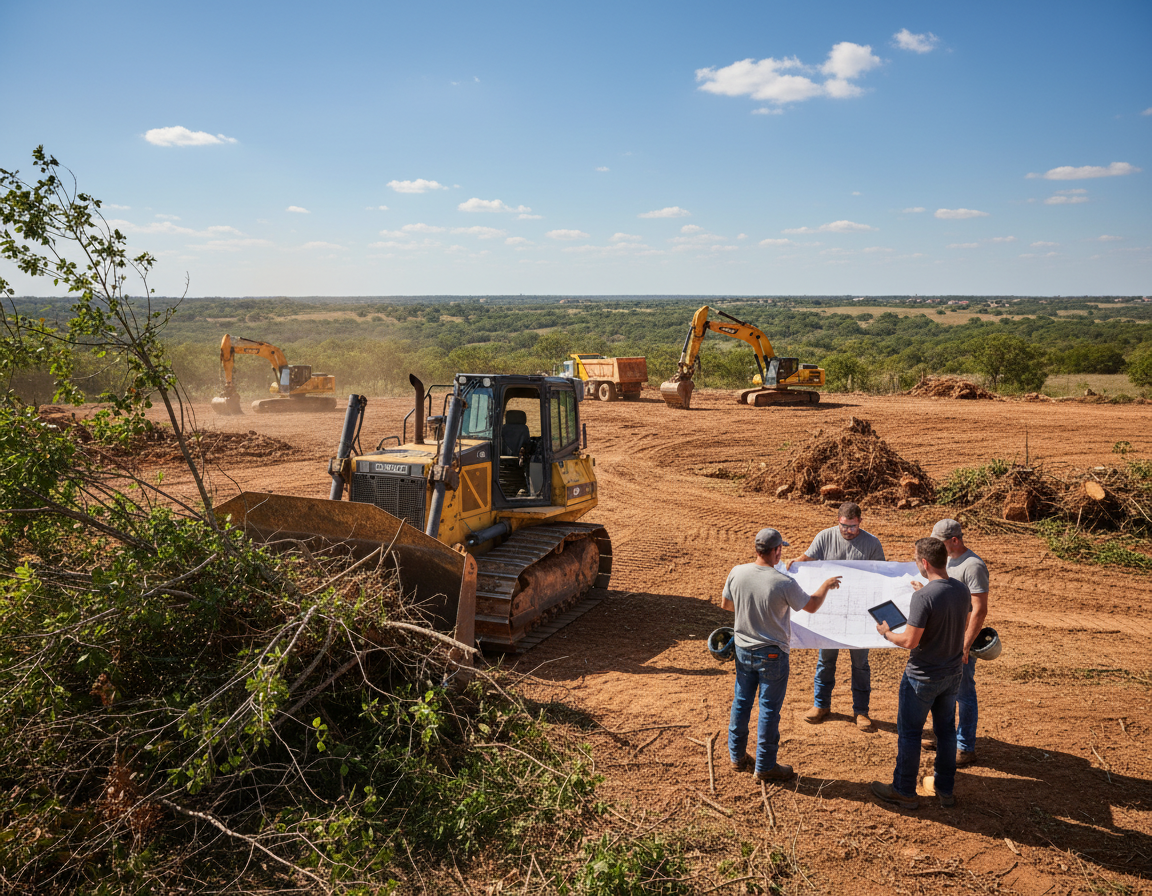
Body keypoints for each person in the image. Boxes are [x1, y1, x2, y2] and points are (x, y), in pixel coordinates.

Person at [723, 528, 842, 782]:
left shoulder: (737, 572)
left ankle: (736, 757)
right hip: (772, 655)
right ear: (776, 551)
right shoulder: (782, 582)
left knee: (741, 702)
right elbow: (810, 606)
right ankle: (765, 766)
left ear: (757, 550)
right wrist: (825, 585)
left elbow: (727, 605)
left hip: (743, 650)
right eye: (781, 549)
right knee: (768, 709)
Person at [870, 537, 970, 809]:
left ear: (924, 563)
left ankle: (903, 790)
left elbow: (909, 641)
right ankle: (944, 789)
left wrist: (887, 632)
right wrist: (925, 591)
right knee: (947, 732)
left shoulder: (924, 597)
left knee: (910, 733)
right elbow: (955, 614)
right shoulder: (960, 590)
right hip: (952, 674)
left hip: (922, 677)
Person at [787, 501, 886, 730]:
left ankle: (861, 712)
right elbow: (808, 559)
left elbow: (882, 575)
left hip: (859, 613)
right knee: (825, 660)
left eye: (852, 526)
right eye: (844, 526)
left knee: (860, 664)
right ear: (838, 522)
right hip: (829, 612)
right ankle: (821, 705)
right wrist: (794, 565)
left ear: (860, 522)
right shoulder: (825, 537)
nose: (848, 531)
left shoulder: (872, 543)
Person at [919, 519, 990, 767]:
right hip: (942, 638)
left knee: (964, 694)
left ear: (955, 540)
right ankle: (944, 737)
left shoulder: (973, 566)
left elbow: (979, 610)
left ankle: (965, 747)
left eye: (939, 543)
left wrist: (966, 645)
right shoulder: (946, 560)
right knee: (942, 692)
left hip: (960, 642)